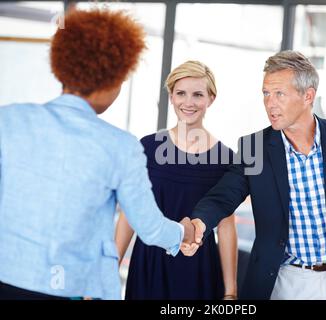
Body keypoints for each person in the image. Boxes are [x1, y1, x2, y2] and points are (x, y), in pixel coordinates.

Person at [0, 8, 194, 300]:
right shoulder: (120, 146)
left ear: (61, 66)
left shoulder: (9, 120)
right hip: (69, 286)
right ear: (111, 80)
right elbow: (149, 227)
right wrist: (183, 233)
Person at [183, 50, 326, 300]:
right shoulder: (255, 147)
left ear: (308, 96)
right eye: (266, 93)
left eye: (279, 94)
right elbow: (223, 197)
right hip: (278, 284)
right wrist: (199, 223)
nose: (270, 103)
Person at [116, 60, 238, 300]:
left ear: (211, 98)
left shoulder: (226, 159)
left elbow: (226, 227)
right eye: (181, 93)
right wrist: (111, 267)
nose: (188, 102)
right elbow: (130, 213)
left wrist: (231, 292)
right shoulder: (149, 147)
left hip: (199, 269)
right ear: (171, 97)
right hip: (149, 263)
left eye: (198, 94)